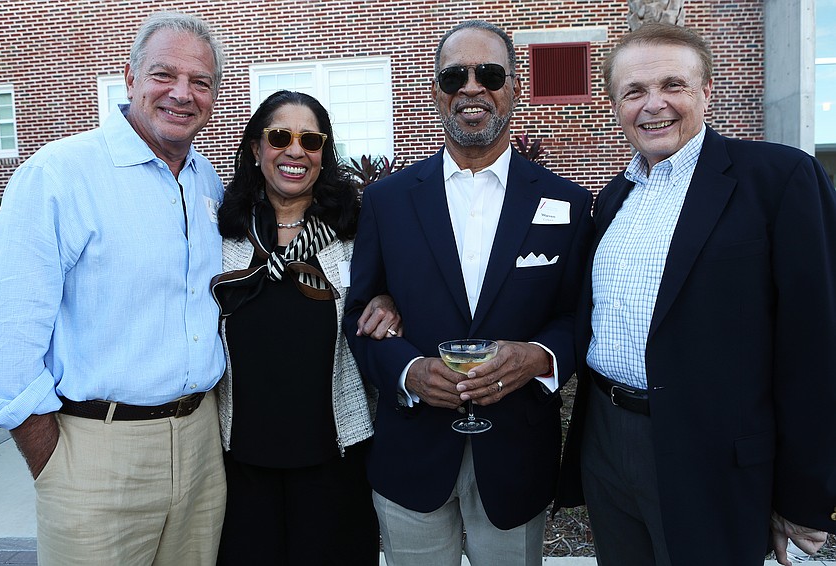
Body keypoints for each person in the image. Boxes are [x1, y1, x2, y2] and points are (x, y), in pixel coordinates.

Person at [556, 22, 836, 566]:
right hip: (608, 443)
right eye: (634, 92)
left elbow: (816, 343)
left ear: (706, 91)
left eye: (673, 85)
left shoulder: (779, 179)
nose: (653, 104)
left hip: (714, 457)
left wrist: (803, 494)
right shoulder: (614, 197)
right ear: (615, 105)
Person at [343, 20, 593, 566]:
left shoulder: (568, 203)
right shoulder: (387, 201)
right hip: (412, 449)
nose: (471, 87)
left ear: (513, 87)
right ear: (436, 89)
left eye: (489, 74)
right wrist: (408, 371)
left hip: (516, 452)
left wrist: (539, 357)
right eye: (455, 75)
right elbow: (360, 311)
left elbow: (577, 314)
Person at [0, 11, 228, 565]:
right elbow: (8, 334)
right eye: (164, 74)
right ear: (130, 78)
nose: (182, 94)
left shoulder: (205, 181)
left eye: (201, 82)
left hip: (200, 448)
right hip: (93, 451)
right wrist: (53, 462)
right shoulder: (60, 175)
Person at [210, 90, 400, 565]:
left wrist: (388, 300)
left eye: (310, 140)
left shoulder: (355, 238)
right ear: (256, 149)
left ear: (323, 154)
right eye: (280, 136)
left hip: (334, 462)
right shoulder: (222, 238)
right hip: (240, 464)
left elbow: (394, 295)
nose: (295, 150)